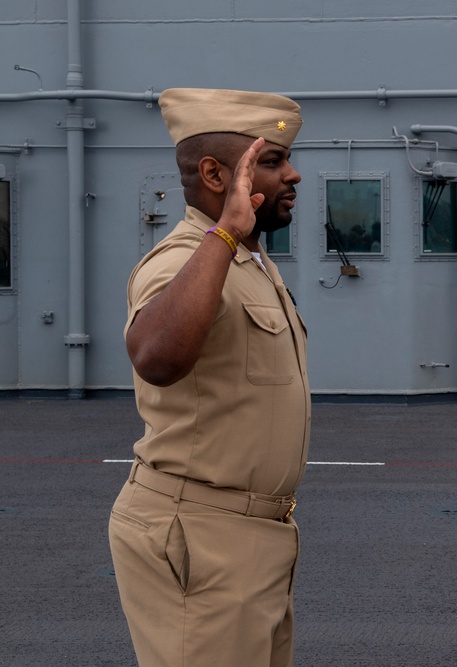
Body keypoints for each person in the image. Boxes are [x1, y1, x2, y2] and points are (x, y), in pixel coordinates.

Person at [108, 88, 310, 667]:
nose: (292, 174)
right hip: (200, 534)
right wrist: (224, 234)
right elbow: (155, 358)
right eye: (271, 161)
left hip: (252, 535)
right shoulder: (184, 259)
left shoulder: (250, 260)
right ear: (216, 175)